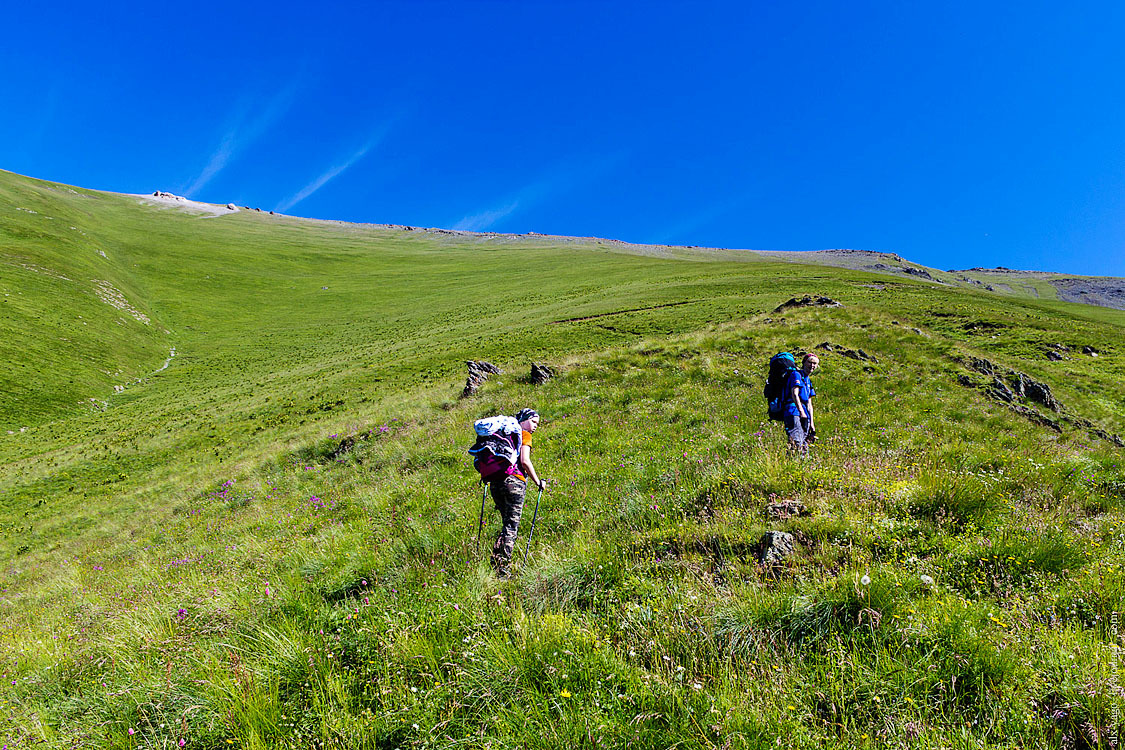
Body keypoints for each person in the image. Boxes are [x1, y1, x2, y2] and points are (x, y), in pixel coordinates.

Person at [489, 407, 544, 578]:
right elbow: (525, 461)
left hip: (496, 482)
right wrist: (538, 482)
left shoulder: (503, 435)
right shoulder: (524, 434)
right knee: (511, 527)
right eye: (533, 421)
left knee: (506, 523)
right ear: (524, 419)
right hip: (515, 483)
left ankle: (496, 562)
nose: (535, 426)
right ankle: (503, 571)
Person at [784, 353, 819, 453]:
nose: (812, 365)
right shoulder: (796, 375)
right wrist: (801, 412)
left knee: (805, 442)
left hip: (804, 414)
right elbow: (794, 394)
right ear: (804, 363)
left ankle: (802, 464)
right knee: (796, 440)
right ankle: (793, 463)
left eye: (815, 364)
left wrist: (812, 422)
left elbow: (809, 403)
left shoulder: (807, 380)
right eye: (810, 362)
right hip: (793, 411)